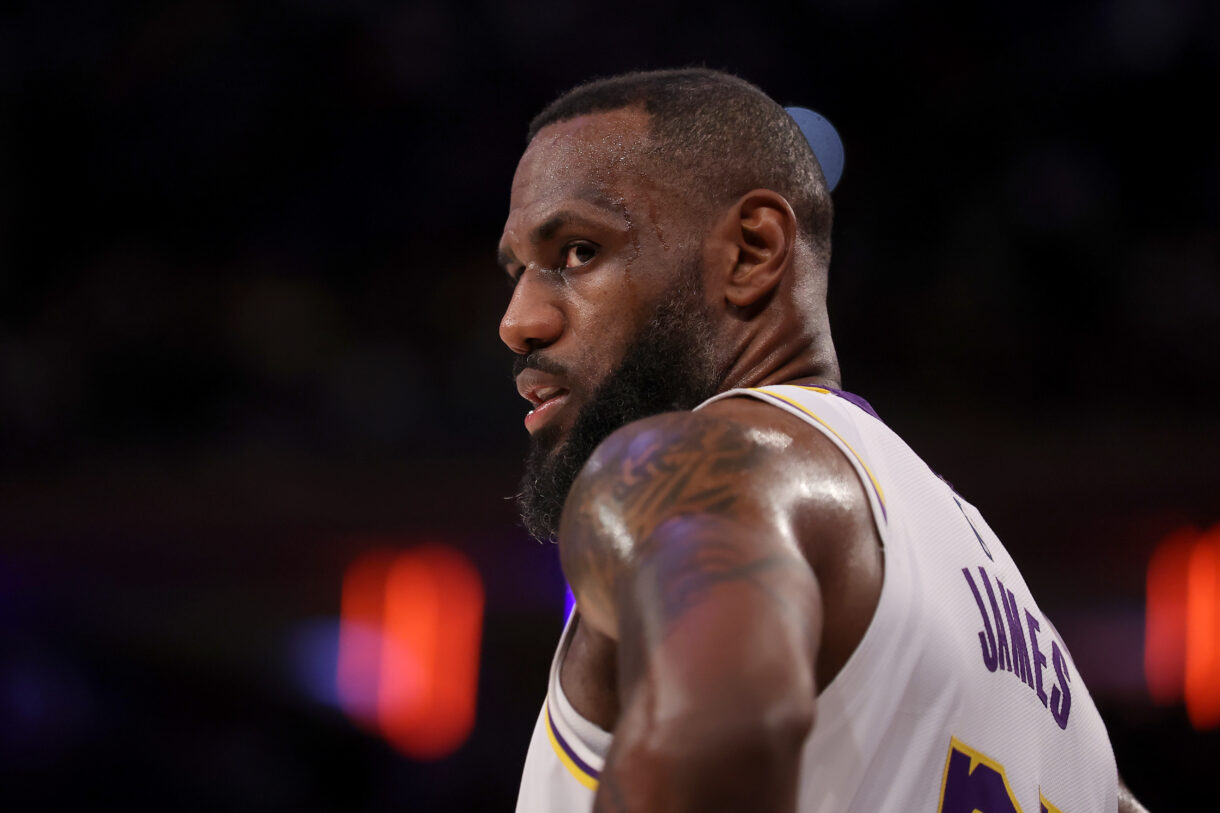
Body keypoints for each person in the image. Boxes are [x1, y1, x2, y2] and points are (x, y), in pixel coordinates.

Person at [498, 68, 1146, 812]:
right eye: (517, 272)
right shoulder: (1039, 660)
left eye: (579, 252)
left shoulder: (694, 469)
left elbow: (719, 746)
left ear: (752, 250)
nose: (517, 322)